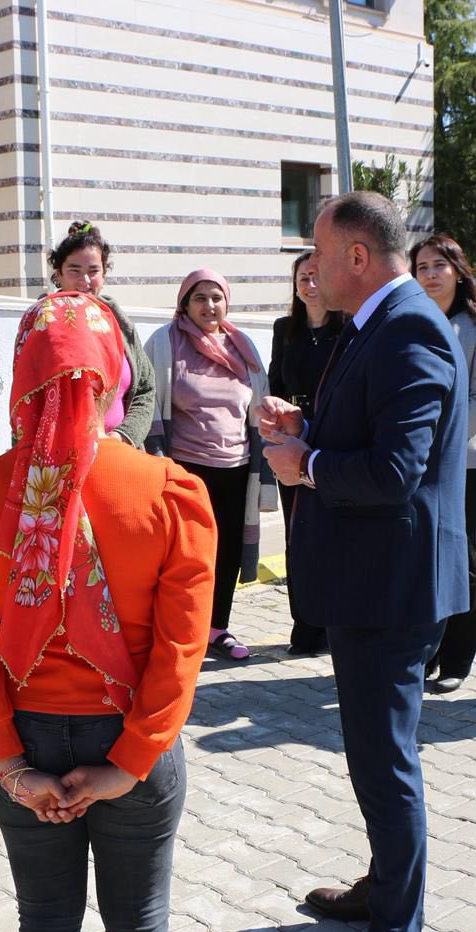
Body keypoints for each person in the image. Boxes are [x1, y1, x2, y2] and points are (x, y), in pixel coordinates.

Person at [0, 291, 215, 932]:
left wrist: (9, 764)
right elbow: (181, 649)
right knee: (140, 929)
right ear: (113, 374)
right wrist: (130, 762)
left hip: (25, 741)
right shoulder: (173, 493)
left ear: (21, 375)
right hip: (133, 741)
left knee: (46, 928)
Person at [259, 191, 468, 932]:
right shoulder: (373, 322)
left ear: (356, 255)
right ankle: (386, 885)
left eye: (319, 252)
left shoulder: (411, 327)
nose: (309, 268)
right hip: (371, 582)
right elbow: (371, 431)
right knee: (374, 755)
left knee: (386, 763)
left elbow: (394, 472)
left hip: (392, 590)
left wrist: (306, 467)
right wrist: (306, 429)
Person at [143, 269, 275, 661]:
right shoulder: (166, 342)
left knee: (228, 549)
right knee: (185, 553)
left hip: (238, 466)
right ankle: (181, 627)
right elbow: (146, 400)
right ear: (185, 303)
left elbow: (260, 402)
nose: (209, 305)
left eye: (217, 297)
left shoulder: (242, 346)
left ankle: (218, 627)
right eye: (200, 298)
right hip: (187, 468)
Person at [412, 234, 476, 693]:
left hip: (465, 464)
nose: (430, 274)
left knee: (461, 559)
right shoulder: (410, 320)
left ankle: (456, 659)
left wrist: (436, 443)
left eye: (439, 265)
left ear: (458, 271)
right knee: (421, 560)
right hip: (415, 463)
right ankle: (423, 653)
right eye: (422, 267)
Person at [268, 250, 344, 656]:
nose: (310, 285)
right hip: (291, 440)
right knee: (296, 536)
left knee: (330, 536)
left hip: (330, 438)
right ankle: (304, 625)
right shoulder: (285, 329)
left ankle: (332, 625)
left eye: (316, 276)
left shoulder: (346, 328)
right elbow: (275, 382)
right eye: (303, 279)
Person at [43, 220, 156, 447]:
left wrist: (123, 436)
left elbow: (145, 388)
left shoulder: (120, 323)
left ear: (104, 274)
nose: (85, 281)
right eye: (74, 270)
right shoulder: (41, 325)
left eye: (93, 271)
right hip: (61, 456)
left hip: (120, 452)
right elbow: (26, 399)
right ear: (58, 274)